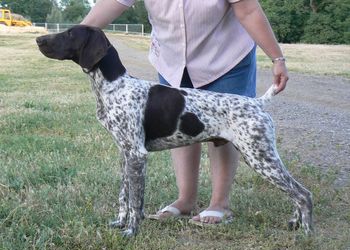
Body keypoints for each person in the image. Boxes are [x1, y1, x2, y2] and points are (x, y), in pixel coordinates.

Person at [82, 0, 289, 225]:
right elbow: (113, 3)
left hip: (224, 56)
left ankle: (220, 203)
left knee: (226, 126)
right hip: (172, 57)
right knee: (176, 125)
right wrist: (75, 38)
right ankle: (185, 199)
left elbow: (248, 10)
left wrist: (277, 58)